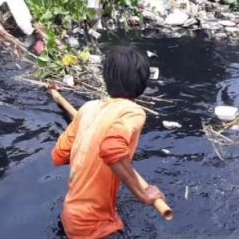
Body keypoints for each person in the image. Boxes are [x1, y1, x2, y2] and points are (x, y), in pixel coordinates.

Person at [51, 45, 165, 239]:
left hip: (70, 218)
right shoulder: (133, 111)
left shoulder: (88, 108)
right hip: (94, 226)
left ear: (106, 79)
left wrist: (87, 145)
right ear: (143, 83)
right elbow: (111, 147)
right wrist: (142, 194)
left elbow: (58, 155)